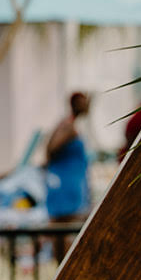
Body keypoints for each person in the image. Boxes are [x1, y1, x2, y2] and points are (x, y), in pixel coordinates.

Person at [44, 91, 92, 224]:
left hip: (70, 182)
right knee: (62, 225)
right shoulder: (68, 126)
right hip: (65, 184)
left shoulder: (70, 124)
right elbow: (51, 148)